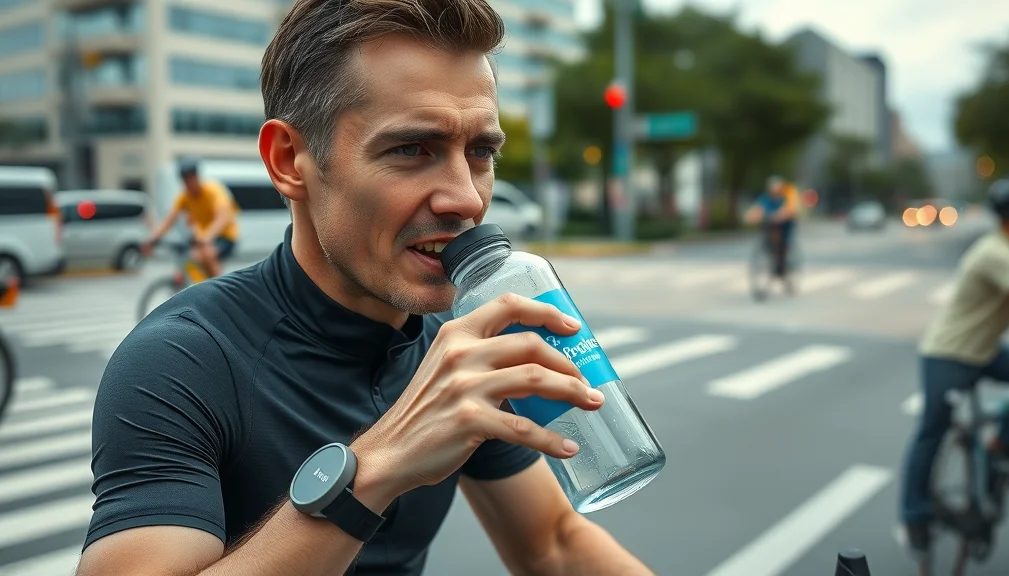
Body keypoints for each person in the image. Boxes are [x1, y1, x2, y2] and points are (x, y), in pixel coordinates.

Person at [75, 2, 655, 576]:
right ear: (289, 161)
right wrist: (376, 467)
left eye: (480, 151)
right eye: (411, 149)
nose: (467, 198)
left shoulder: (459, 345)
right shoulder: (180, 360)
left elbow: (553, 543)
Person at [899, 174, 1009, 563]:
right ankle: (914, 517)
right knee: (932, 432)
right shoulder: (995, 252)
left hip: (983, 351)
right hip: (949, 355)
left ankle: (1003, 441)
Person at [143, 159, 239, 278]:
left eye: (190, 179)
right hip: (203, 237)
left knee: (207, 254)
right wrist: (153, 239)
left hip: (225, 236)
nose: (188, 184)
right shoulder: (185, 197)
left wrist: (207, 236)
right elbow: (169, 220)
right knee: (191, 258)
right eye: (184, 180)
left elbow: (222, 218)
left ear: (196, 177)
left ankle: (220, 289)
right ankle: (202, 284)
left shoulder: (213, 191)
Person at [744, 175, 800, 280]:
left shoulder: (787, 195)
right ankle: (772, 254)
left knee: (785, 242)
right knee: (768, 239)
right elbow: (758, 207)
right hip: (772, 224)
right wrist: (750, 216)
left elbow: (789, 209)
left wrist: (781, 215)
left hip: (787, 223)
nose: (774, 193)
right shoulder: (766, 198)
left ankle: (783, 264)